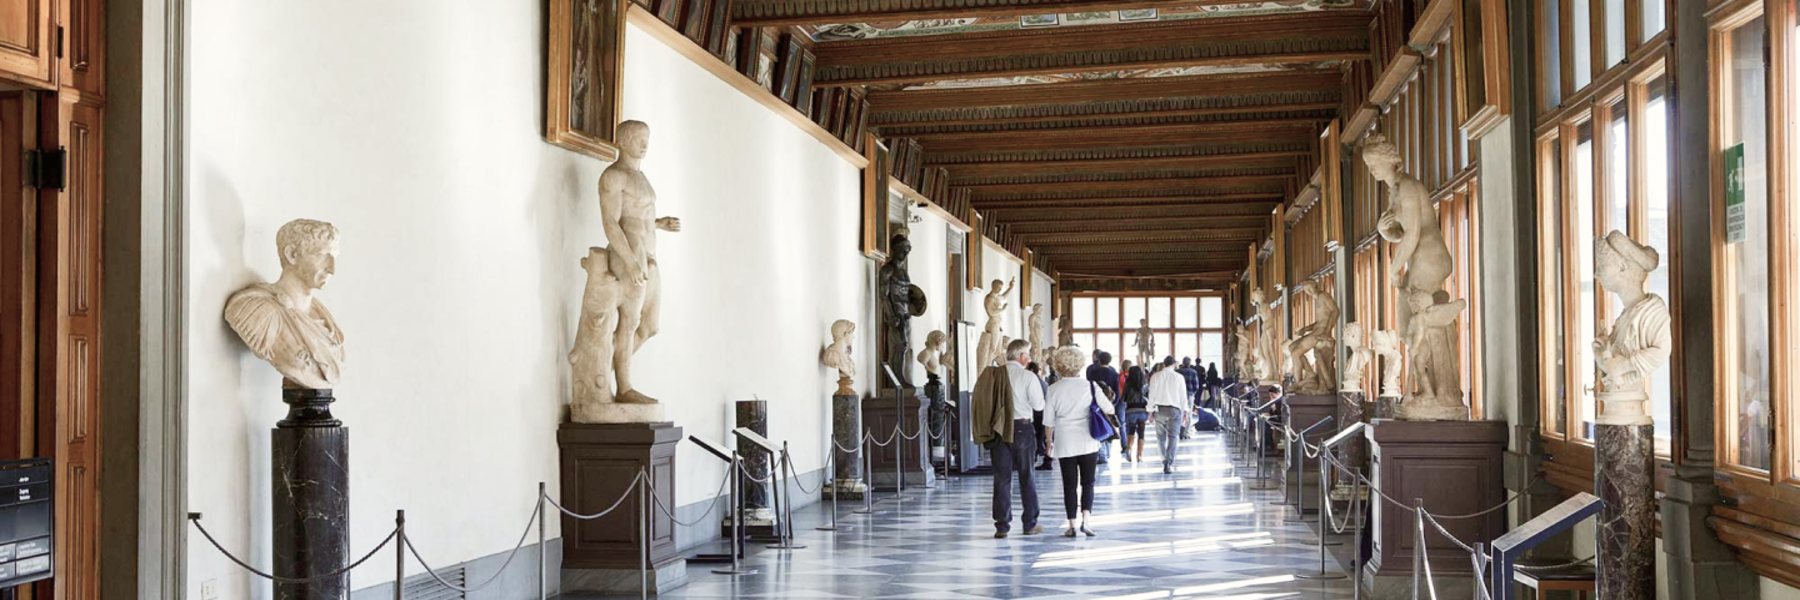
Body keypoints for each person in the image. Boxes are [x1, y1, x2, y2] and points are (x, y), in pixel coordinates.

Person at [1044, 345, 1114, 537]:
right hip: (1088, 440)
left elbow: (1048, 421)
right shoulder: (1090, 386)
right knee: (1088, 482)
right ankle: (1087, 521)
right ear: (1079, 364)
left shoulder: (1053, 389)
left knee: (1069, 485)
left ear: (1058, 364)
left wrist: (1049, 443)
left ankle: (1072, 525)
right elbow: (1110, 409)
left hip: (1065, 442)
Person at [991, 339, 1045, 538]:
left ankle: (1002, 526)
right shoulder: (1027, 376)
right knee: (1026, 475)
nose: (1029, 358)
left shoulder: (994, 375)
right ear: (1022, 357)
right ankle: (1029, 523)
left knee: (1001, 478)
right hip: (1021, 427)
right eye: (1028, 355)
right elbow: (1039, 406)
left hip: (998, 428)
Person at [1147, 356, 1190, 473]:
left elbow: (1151, 395)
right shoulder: (1179, 377)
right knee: (1173, 437)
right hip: (1174, 410)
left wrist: (1150, 411)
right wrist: (1185, 411)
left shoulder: (1155, 376)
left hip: (1159, 410)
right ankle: (1169, 462)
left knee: (1160, 437)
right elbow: (1183, 396)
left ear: (1164, 364)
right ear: (1174, 364)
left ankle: (1163, 459)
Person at [1027, 362, 1055, 471]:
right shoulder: (1042, 382)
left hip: (1037, 413)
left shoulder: (1033, 381)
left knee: (1036, 437)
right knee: (1041, 437)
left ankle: (1036, 459)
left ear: (1031, 370)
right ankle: (1046, 460)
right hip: (1043, 413)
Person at [1120, 366, 1150, 462]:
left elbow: (1123, 398)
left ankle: (1129, 448)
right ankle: (1139, 455)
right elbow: (1149, 397)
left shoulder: (1127, 384)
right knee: (1141, 432)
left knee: (1131, 430)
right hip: (1142, 410)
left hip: (1130, 410)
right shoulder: (1144, 384)